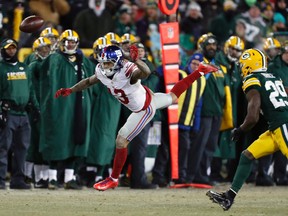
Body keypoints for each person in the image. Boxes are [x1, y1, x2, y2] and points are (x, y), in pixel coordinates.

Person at [55, 44, 219, 191]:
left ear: (118, 62)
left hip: (144, 109)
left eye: (108, 63)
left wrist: (136, 60)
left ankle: (113, 179)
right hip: (148, 97)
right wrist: (71, 89)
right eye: (103, 63)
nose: (105, 66)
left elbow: (145, 72)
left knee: (121, 140)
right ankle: (200, 71)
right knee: (173, 97)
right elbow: (88, 81)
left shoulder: (127, 71)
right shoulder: (101, 70)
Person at [206, 48, 288, 211]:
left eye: (244, 63)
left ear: (251, 64)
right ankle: (229, 196)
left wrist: (240, 130)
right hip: (276, 126)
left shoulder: (252, 79)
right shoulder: (273, 75)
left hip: (283, 124)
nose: (242, 67)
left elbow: (253, 117)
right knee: (247, 155)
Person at [39, 29, 95, 190]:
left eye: (73, 42)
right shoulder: (54, 59)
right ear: (61, 43)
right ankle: (52, 178)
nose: (70, 44)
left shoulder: (83, 61)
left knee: (75, 141)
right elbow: (45, 82)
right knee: (57, 140)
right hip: (60, 107)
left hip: (79, 107)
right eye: (67, 41)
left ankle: (69, 178)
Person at [0, 38, 39, 189]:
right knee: (3, 147)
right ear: (3, 50)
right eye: (8, 48)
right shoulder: (1, 68)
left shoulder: (24, 67)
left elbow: (31, 90)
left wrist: (35, 108)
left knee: (22, 149)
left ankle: (17, 180)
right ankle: (1, 180)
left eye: (13, 48)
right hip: (8, 112)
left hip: (23, 113)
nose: (11, 50)